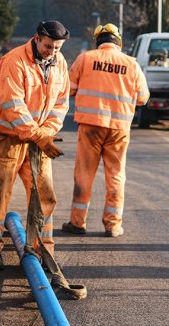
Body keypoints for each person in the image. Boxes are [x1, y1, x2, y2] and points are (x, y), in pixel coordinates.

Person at [0, 21, 70, 270]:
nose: (51, 52)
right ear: (37, 38)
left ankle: (43, 249)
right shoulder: (14, 61)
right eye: (48, 46)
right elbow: (13, 107)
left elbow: (61, 104)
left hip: (37, 139)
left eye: (57, 48)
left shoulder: (60, 63)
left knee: (44, 195)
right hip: (6, 139)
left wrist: (47, 133)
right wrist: (40, 136)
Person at [62, 23, 149, 238]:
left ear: (99, 41)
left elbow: (68, 88)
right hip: (119, 129)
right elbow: (142, 98)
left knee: (84, 173)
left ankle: (77, 222)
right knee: (116, 175)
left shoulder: (85, 58)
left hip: (90, 126)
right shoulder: (132, 64)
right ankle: (113, 225)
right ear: (118, 42)